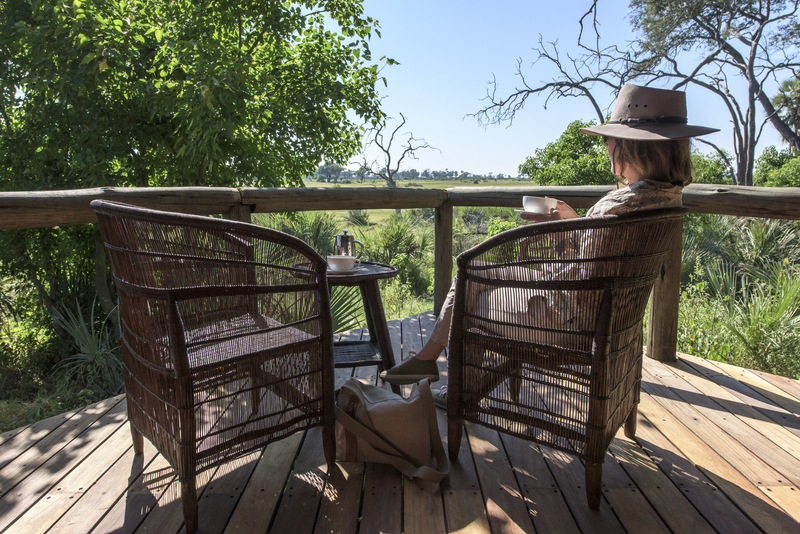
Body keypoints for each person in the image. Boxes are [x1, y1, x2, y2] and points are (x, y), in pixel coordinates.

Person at [379, 84, 718, 406]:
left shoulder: (618, 206)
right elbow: (600, 267)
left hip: (563, 319)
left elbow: (575, 275)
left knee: (470, 284)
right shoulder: (664, 199)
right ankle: (435, 364)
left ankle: (450, 383)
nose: (608, 148)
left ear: (630, 147)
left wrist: (564, 236)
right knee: (479, 272)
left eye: (611, 141)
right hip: (603, 315)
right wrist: (574, 226)